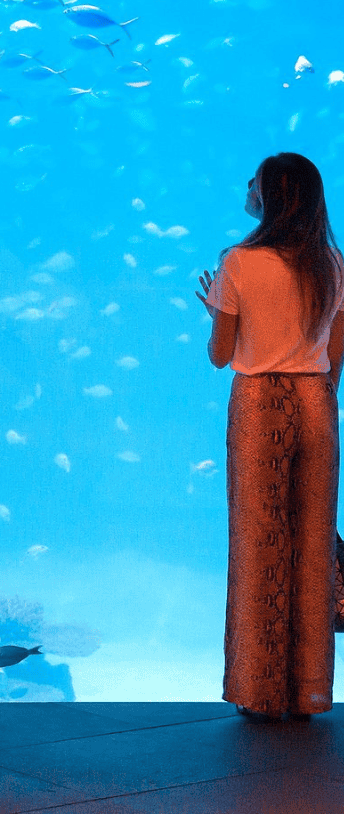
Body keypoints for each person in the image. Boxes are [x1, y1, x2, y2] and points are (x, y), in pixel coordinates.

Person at [196, 152, 344, 722]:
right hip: (317, 402)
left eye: (253, 178)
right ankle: (308, 692)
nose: (247, 185)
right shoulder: (332, 261)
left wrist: (215, 314)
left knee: (260, 541)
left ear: (272, 194)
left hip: (259, 404)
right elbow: (334, 355)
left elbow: (220, 356)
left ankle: (260, 693)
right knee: (313, 544)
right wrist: (319, 394)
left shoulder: (238, 263)